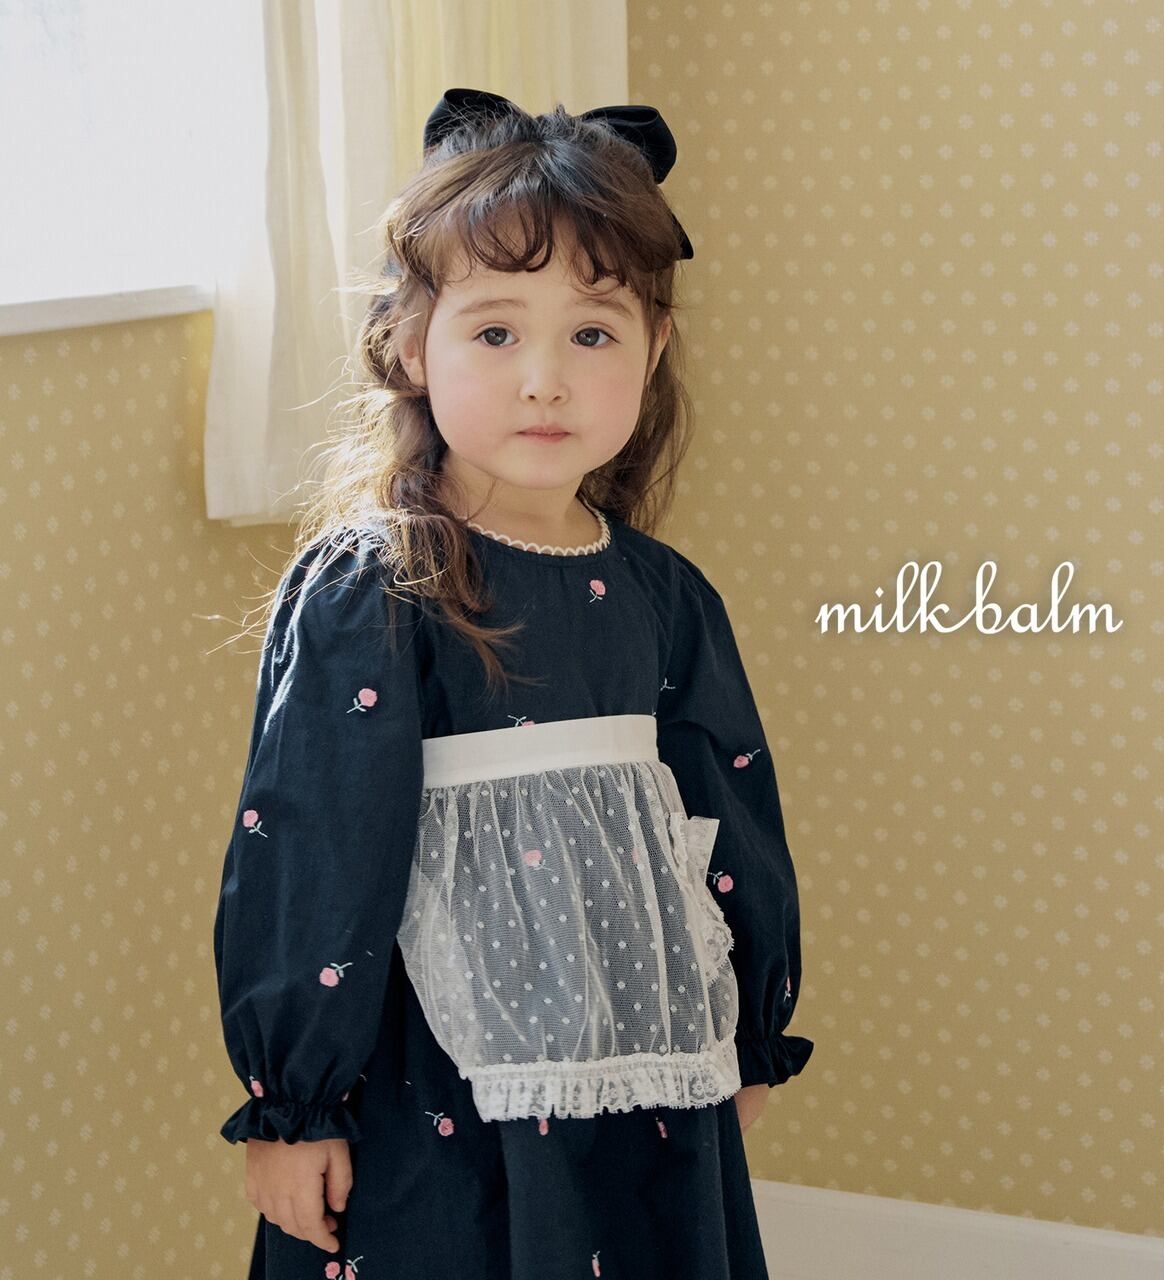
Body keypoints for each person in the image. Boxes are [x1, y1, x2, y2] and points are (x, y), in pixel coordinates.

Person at [213, 86, 815, 1280]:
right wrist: (297, 1101)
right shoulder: (374, 587)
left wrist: (741, 1030)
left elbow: (725, 811)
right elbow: (315, 846)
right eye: (495, 333)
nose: (545, 378)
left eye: (591, 334)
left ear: (652, 349)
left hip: (641, 1083)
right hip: (431, 1100)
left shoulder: (661, 592)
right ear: (410, 344)